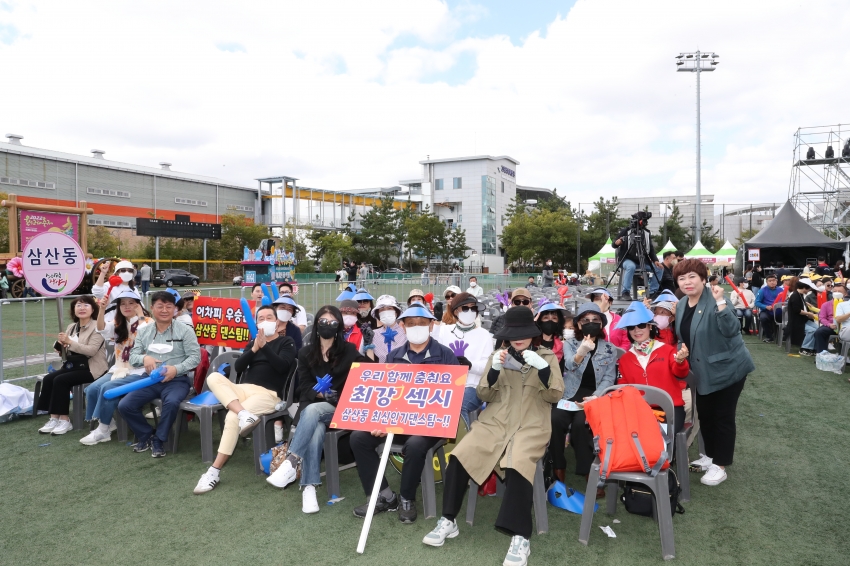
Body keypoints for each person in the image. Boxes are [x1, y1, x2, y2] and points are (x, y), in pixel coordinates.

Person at [422, 306, 563, 566]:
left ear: (532, 333)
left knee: (519, 461)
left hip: (531, 424)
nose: (517, 338)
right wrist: (494, 370)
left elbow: (555, 395)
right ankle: (448, 520)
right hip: (496, 421)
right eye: (512, 333)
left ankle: (521, 536)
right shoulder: (498, 355)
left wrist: (543, 369)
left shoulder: (547, 356)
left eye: (522, 333)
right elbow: (485, 395)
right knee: (461, 454)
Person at [351, 303, 460, 524]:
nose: (417, 327)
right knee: (358, 438)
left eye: (422, 323)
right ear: (402, 326)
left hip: (430, 424)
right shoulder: (393, 356)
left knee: (416, 444)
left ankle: (407, 498)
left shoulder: (445, 354)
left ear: (431, 326)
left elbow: (453, 397)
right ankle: (384, 495)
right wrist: (381, 421)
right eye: (411, 324)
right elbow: (384, 395)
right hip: (397, 422)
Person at [266, 306, 368, 513]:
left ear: (339, 325)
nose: (327, 325)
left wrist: (371, 346)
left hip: (341, 407)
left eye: (332, 322)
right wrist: (323, 394)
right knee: (316, 425)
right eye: (323, 320)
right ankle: (309, 488)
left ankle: (292, 461)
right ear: (316, 324)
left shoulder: (348, 350)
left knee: (312, 413)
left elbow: (370, 371)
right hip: (315, 406)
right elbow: (304, 387)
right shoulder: (305, 353)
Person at [193, 305, 297, 494]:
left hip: (269, 394)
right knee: (214, 378)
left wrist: (265, 347)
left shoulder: (286, 342)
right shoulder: (253, 343)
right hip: (243, 389)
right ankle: (243, 414)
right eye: (261, 318)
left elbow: (282, 367)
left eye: (269, 317)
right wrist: (254, 348)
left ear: (277, 321)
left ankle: (213, 471)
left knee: (231, 418)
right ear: (256, 323)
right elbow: (239, 367)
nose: (265, 321)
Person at [674, 259, 754, 487]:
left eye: (692, 276)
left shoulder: (718, 299)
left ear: (703, 278)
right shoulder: (681, 303)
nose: (687, 282)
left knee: (723, 416)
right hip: (702, 370)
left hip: (728, 369)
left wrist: (720, 301)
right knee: (706, 414)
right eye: (682, 278)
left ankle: (721, 465)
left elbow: (732, 329)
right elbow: (684, 334)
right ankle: (710, 456)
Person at [118, 291, 201, 457]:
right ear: (151, 308)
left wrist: (176, 369)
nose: (164, 310)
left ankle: (159, 439)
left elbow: (195, 358)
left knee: (171, 403)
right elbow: (133, 357)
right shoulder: (144, 331)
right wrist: (145, 358)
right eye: (160, 306)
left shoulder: (185, 330)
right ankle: (147, 434)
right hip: (150, 379)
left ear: (175, 310)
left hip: (177, 380)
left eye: (169, 306)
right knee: (125, 405)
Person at [552, 303, 618, 496]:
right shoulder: (570, 344)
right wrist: (582, 351)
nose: (591, 324)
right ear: (579, 325)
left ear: (601, 324)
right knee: (555, 419)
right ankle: (558, 466)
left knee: (582, 423)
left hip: (593, 394)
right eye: (585, 320)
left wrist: (596, 397)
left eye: (595, 320)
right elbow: (570, 366)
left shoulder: (609, 349)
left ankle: (589, 470)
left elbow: (609, 377)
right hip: (570, 392)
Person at [80, 290, 153, 445]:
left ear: (139, 304)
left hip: (139, 371)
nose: (126, 306)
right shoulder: (119, 323)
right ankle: (108, 421)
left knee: (108, 389)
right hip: (120, 368)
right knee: (92, 389)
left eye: (131, 303)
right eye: (122, 303)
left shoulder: (147, 321)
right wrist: (101, 309)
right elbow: (101, 328)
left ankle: (103, 429)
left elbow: (146, 335)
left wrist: (140, 314)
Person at [36, 296, 108, 435]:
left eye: (86, 305)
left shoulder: (98, 326)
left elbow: (91, 350)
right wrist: (60, 345)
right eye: (78, 305)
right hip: (73, 365)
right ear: (73, 310)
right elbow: (65, 348)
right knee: (49, 379)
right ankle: (54, 417)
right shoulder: (71, 327)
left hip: (92, 368)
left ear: (93, 309)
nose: (82, 308)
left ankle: (64, 420)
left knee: (60, 380)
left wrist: (69, 342)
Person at [616, 301, 689, 434]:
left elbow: (681, 373)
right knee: (627, 434)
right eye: (632, 327)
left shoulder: (666, 350)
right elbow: (622, 386)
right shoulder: (625, 359)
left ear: (650, 326)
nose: (637, 330)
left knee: (654, 435)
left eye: (642, 325)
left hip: (670, 408)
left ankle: (665, 454)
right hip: (639, 410)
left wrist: (680, 361)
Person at [434, 293, 494, 429]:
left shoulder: (484, 335)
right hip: (446, 384)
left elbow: (488, 366)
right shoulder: (444, 330)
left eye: (473, 308)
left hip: (472, 386)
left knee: (457, 405)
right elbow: (433, 352)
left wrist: (470, 365)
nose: (470, 311)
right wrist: (436, 324)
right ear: (456, 311)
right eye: (465, 308)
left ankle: (462, 445)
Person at [612, 216, 660, 300]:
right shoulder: (626, 231)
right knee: (631, 266)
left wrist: (655, 260)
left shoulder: (646, 233)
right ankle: (625, 292)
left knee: (659, 268)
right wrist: (617, 243)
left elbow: (651, 248)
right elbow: (614, 244)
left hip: (642, 261)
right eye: (642, 220)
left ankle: (653, 292)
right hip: (626, 259)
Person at [370, 295, 407, 362]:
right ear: (378, 314)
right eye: (382, 309)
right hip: (380, 371)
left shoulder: (405, 332)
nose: (386, 311)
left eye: (389, 308)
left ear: (396, 312)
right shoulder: (373, 334)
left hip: (401, 371)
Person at [812, 282, 846, 353]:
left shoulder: (847, 304)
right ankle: (821, 354)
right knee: (819, 332)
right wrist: (829, 325)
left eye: (839, 292)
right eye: (835, 291)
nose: (837, 293)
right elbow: (822, 318)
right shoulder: (826, 305)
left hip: (846, 327)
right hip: (831, 326)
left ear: (845, 294)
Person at [535, 301, 566, 372]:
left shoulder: (561, 347)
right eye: (546, 318)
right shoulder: (531, 342)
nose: (550, 321)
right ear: (540, 320)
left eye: (554, 318)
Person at [756, 274, 782, 343]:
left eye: (773, 280)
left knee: (788, 318)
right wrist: (766, 307)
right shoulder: (762, 291)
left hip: (778, 311)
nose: (772, 282)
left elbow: (784, 300)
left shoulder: (781, 289)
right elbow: (757, 302)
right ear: (766, 282)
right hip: (766, 311)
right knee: (763, 318)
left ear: (776, 281)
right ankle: (769, 337)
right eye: (770, 281)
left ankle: (784, 336)